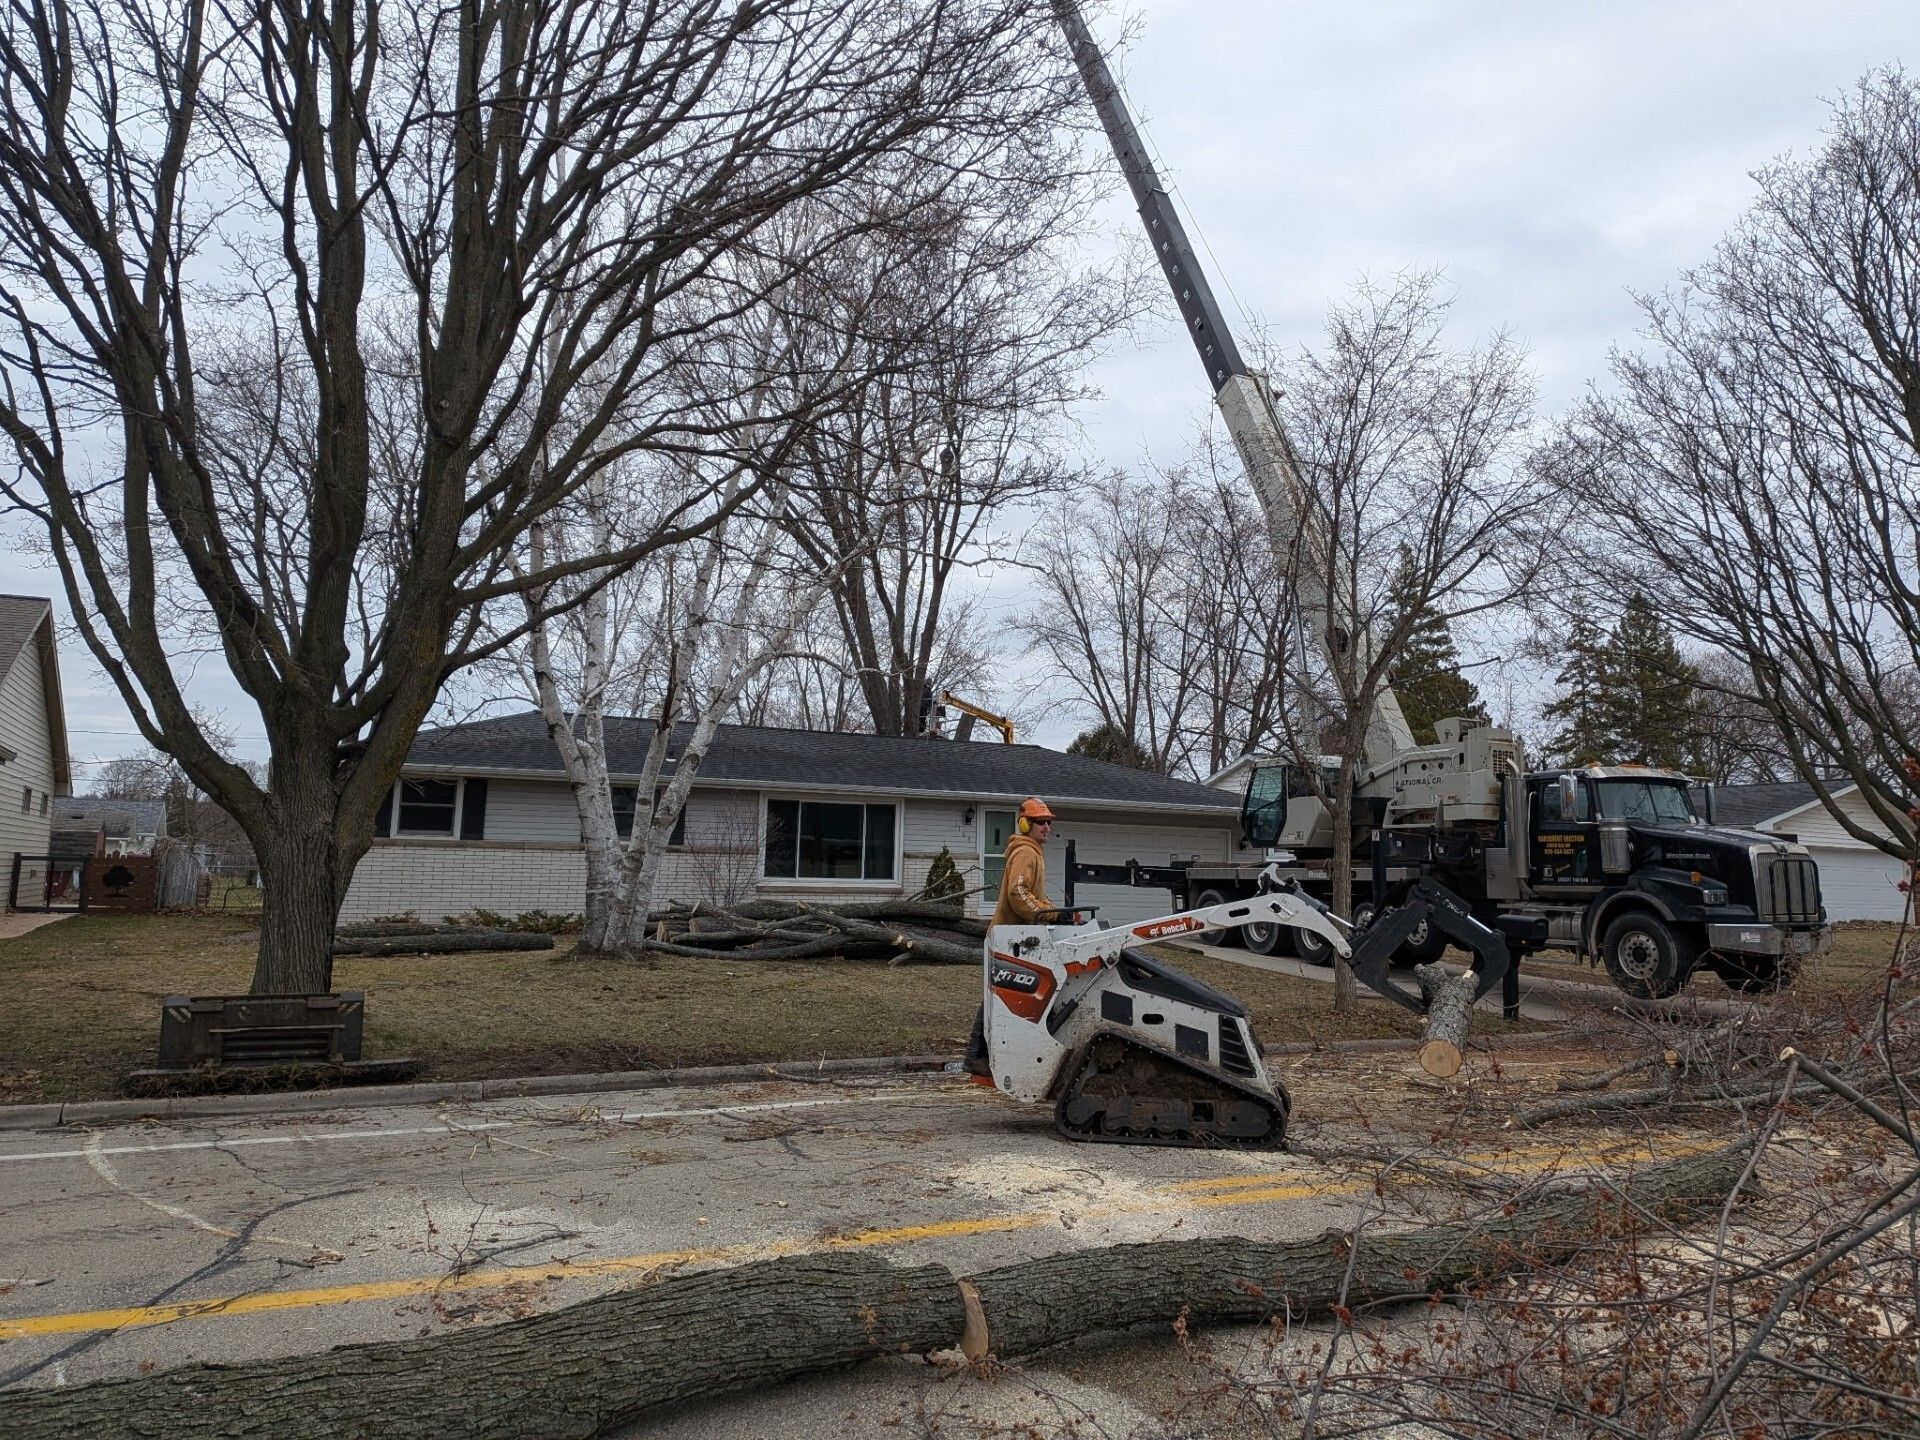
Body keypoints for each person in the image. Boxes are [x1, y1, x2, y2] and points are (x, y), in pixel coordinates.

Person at [966, 797, 1059, 1076]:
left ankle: (985, 1055)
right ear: (1024, 823)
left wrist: (1055, 910)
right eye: (1041, 822)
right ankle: (976, 1056)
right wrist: (1048, 914)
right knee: (997, 995)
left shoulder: (1033, 852)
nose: (1047, 827)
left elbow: (1036, 896)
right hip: (1009, 938)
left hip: (1016, 938)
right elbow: (1018, 895)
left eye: (1049, 822)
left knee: (1002, 994)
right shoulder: (1025, 853)